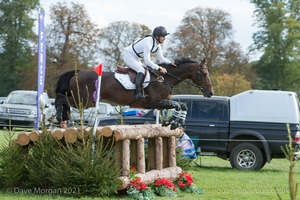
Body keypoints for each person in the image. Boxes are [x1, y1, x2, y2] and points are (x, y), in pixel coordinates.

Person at [123, 26, 176, 100]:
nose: (164, 38)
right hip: (129, 56)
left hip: (136, 58)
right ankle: (138, 93)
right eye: (163, 36)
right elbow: (147, 61)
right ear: (157, 36)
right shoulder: (148, 42)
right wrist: (159, 68)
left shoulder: (158, 45)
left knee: (147, 71)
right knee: (141, 70)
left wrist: (170, 63)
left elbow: (161, 58)